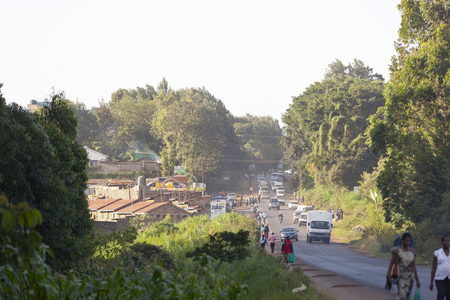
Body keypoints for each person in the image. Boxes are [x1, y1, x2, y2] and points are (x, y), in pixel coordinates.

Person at [386, 233, 420, 300]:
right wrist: (388, 274)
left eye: (409, 241)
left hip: (410, 277)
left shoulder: (412, 252)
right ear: (402, 240)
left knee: (407, 295)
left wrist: (417, 280)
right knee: (402, 295)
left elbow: (414, 267)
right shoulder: (397, 250)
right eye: (406, 240)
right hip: (401, 276)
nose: (407, 242)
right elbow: (391, 263)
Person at [430, 235, 450, 299]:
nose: (446, 242)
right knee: (441, 294)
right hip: (440, 278)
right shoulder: (437, 253)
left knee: (448, 295)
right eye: (444, 240)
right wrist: (431, 282)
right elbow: (434, 267)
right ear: (442, 242)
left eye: (448, 241)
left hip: (449, 278)